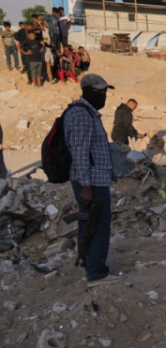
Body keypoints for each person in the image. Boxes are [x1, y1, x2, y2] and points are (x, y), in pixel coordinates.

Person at [65, 74, 120, 287]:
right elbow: (80, 152)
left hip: (94, 178)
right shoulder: (81, 114)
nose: (103, 95)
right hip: (91, 180)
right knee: (97, 225)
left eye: (105, 91)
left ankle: (89, 266)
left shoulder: (88, 112)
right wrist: (86, 186)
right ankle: (97, 273)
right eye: (98, 91)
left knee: (89, 222)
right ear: (87, 90)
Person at [17, 20, 44, 87]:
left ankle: (39, 84)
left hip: (38, 59)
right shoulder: (23, 32)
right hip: (30, 57)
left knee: (38, 72)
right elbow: (18, 45)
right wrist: (25, 53)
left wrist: (41, 48)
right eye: (30, 26)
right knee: (31, 70)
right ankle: (32, 82)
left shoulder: (36, 38)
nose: (31, 27)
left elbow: (42, 30)